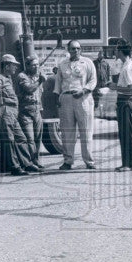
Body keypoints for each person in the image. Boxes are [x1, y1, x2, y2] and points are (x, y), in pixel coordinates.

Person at [54, 39, 97, 169]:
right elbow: (58, 83)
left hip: (83, 98)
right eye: (73, 48)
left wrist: (83, 91)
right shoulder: (62, 64)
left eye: (78, 48)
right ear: (68, 50)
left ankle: (89, 161)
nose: (76, 51)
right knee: (67, 132)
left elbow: (93, 80)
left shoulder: (88, 62)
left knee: (86, 131)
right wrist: (57, 97)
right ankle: (68, 161)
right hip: (66, 98)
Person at [0, 54, 39, 175]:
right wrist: (0, 100)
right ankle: (15, 167)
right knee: (10, 140)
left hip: (13, 112)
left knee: (21, 138)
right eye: (13, 65)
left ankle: (27, 163)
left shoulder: (8, 78)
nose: (15, 68)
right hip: (6, 110)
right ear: (7, 66)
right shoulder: (0, 78)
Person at [15, 55, 46, 170]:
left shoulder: (38, 76)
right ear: (27, 65)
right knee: (29, 138)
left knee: (38, 137)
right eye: (33, 65)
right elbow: (29, 89)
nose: (36, 67)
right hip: (25, 110)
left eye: (37, 64)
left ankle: (35, 160)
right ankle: (28, 163)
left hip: (37, 109)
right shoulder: (22, 76)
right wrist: (39, 82)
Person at [114, 41, 132, 172]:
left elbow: (131, 89)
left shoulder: (128, 67)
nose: (115, 52)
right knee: (125, 133)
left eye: (117, 49)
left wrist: (114, 87)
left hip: (126, 101)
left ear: (121, 51)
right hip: (123, 101)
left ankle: (128, 164)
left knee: (126, 133)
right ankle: (128, 163)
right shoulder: (126, 65)